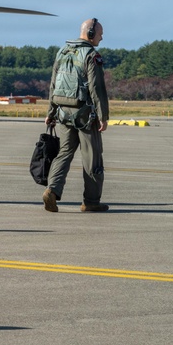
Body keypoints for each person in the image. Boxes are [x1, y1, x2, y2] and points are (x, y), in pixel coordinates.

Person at [42, 18, 110, 213]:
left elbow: (53, 84)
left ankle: (52, 192)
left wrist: (51, 112)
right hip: (85, 115)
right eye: (99, 34)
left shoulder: (62, 51)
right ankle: (91, 202)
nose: (102, 37)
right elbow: (97, 88)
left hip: (63, 113)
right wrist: (103, 115)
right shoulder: (91, 55)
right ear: (90, 33)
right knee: (92, 158)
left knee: (64, 153)